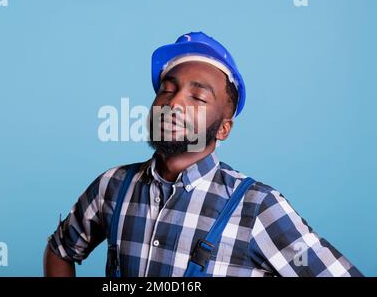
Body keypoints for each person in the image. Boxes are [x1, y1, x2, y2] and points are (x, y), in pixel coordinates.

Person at [43, 32, 363, 277]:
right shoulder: (111, 186)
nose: (174, 103)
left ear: (223, 129)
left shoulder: (258, 209)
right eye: (167, 89)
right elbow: (60, 250)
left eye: (197, 96)